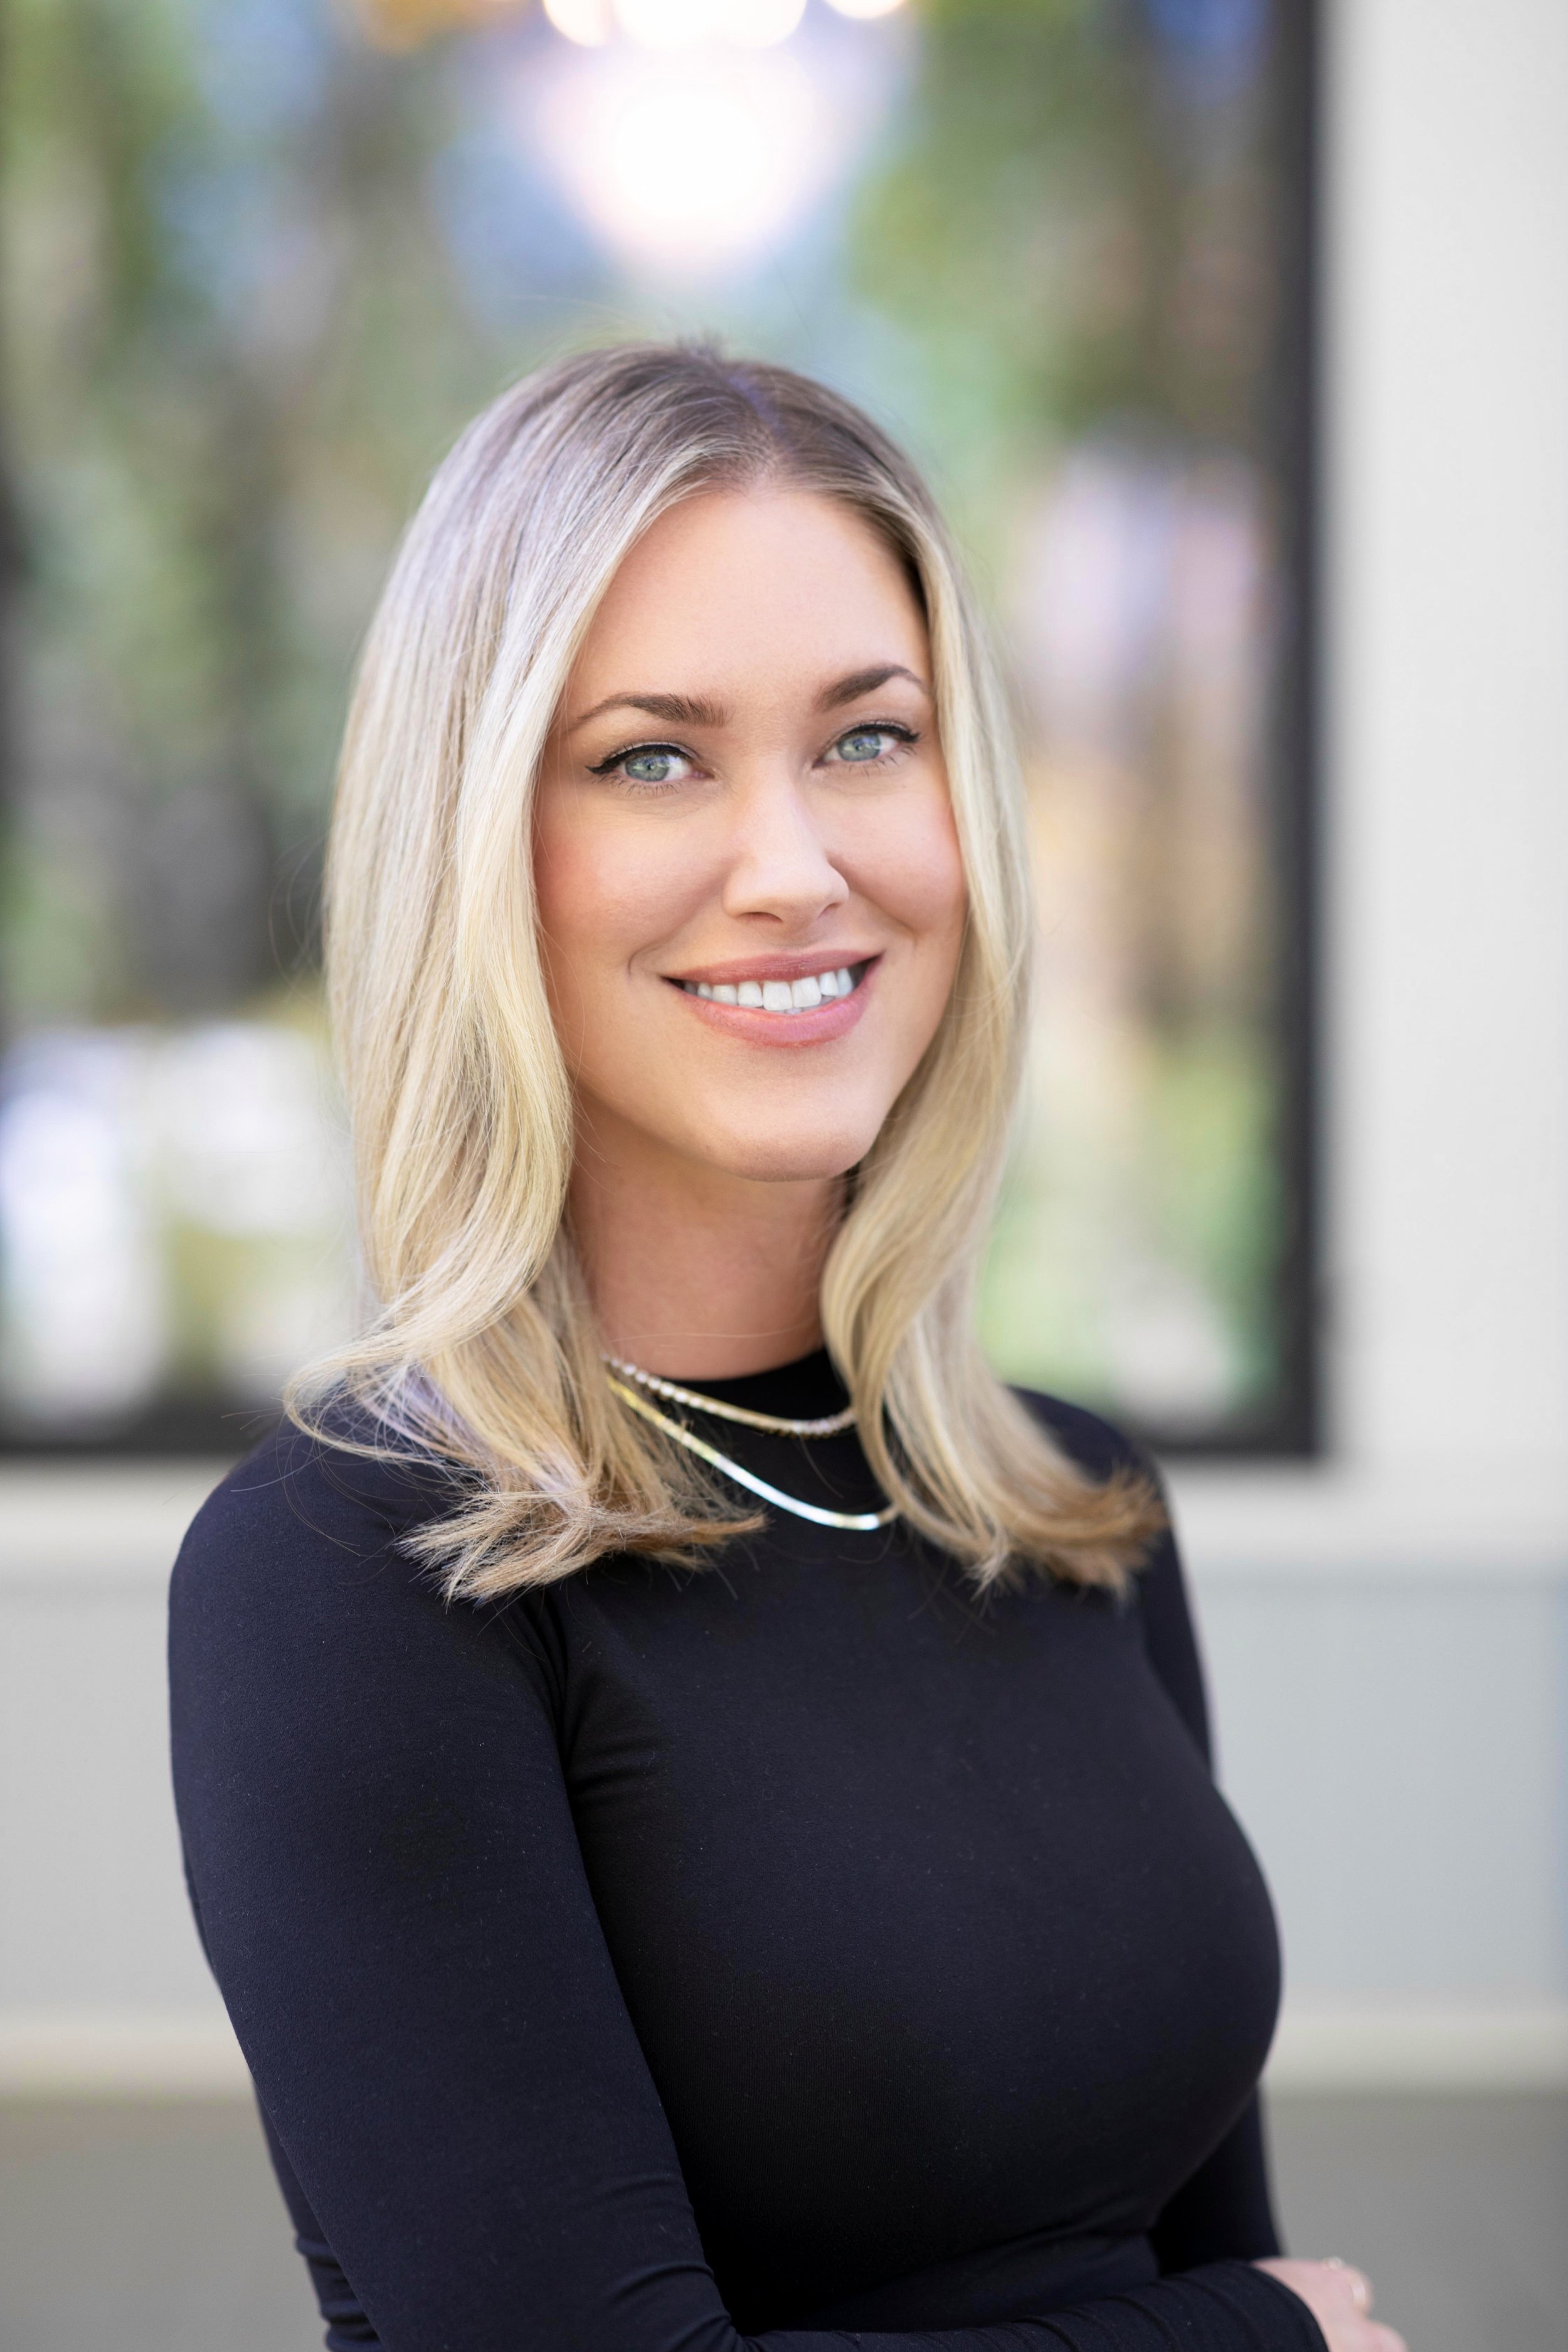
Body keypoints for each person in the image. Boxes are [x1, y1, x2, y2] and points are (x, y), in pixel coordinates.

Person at [169, 344, 1401, 2352]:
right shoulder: (356, 1578)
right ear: (479, 848)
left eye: (866, 738)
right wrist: (1270, 2342)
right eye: (652, 757)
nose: (792, 865)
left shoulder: (1069, 1503)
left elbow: (1193, 2227)